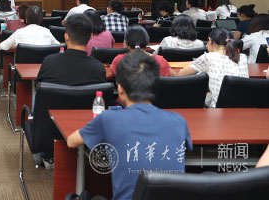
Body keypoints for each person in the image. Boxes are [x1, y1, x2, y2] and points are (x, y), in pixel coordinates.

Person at [66, 51, 192, 200]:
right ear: (155, 86)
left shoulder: (109, 119)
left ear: (120, 89)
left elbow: (71, 141)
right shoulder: (178, 121)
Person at [178, 28, 249, 107]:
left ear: (210, 40)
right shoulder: (243, 57)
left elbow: (180, 75)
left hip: (217, 110)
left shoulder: (208, 57)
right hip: (243, 107)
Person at [37, 13, 106, 85]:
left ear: (66, 36)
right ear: (91, 37)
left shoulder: (49, 63)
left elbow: (40, 88)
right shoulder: (99, 69)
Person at [110, 25, 175, 77]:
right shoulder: (161, 61)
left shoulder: (119, 60)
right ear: (147, 41)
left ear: (126, 43)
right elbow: (174, 77)